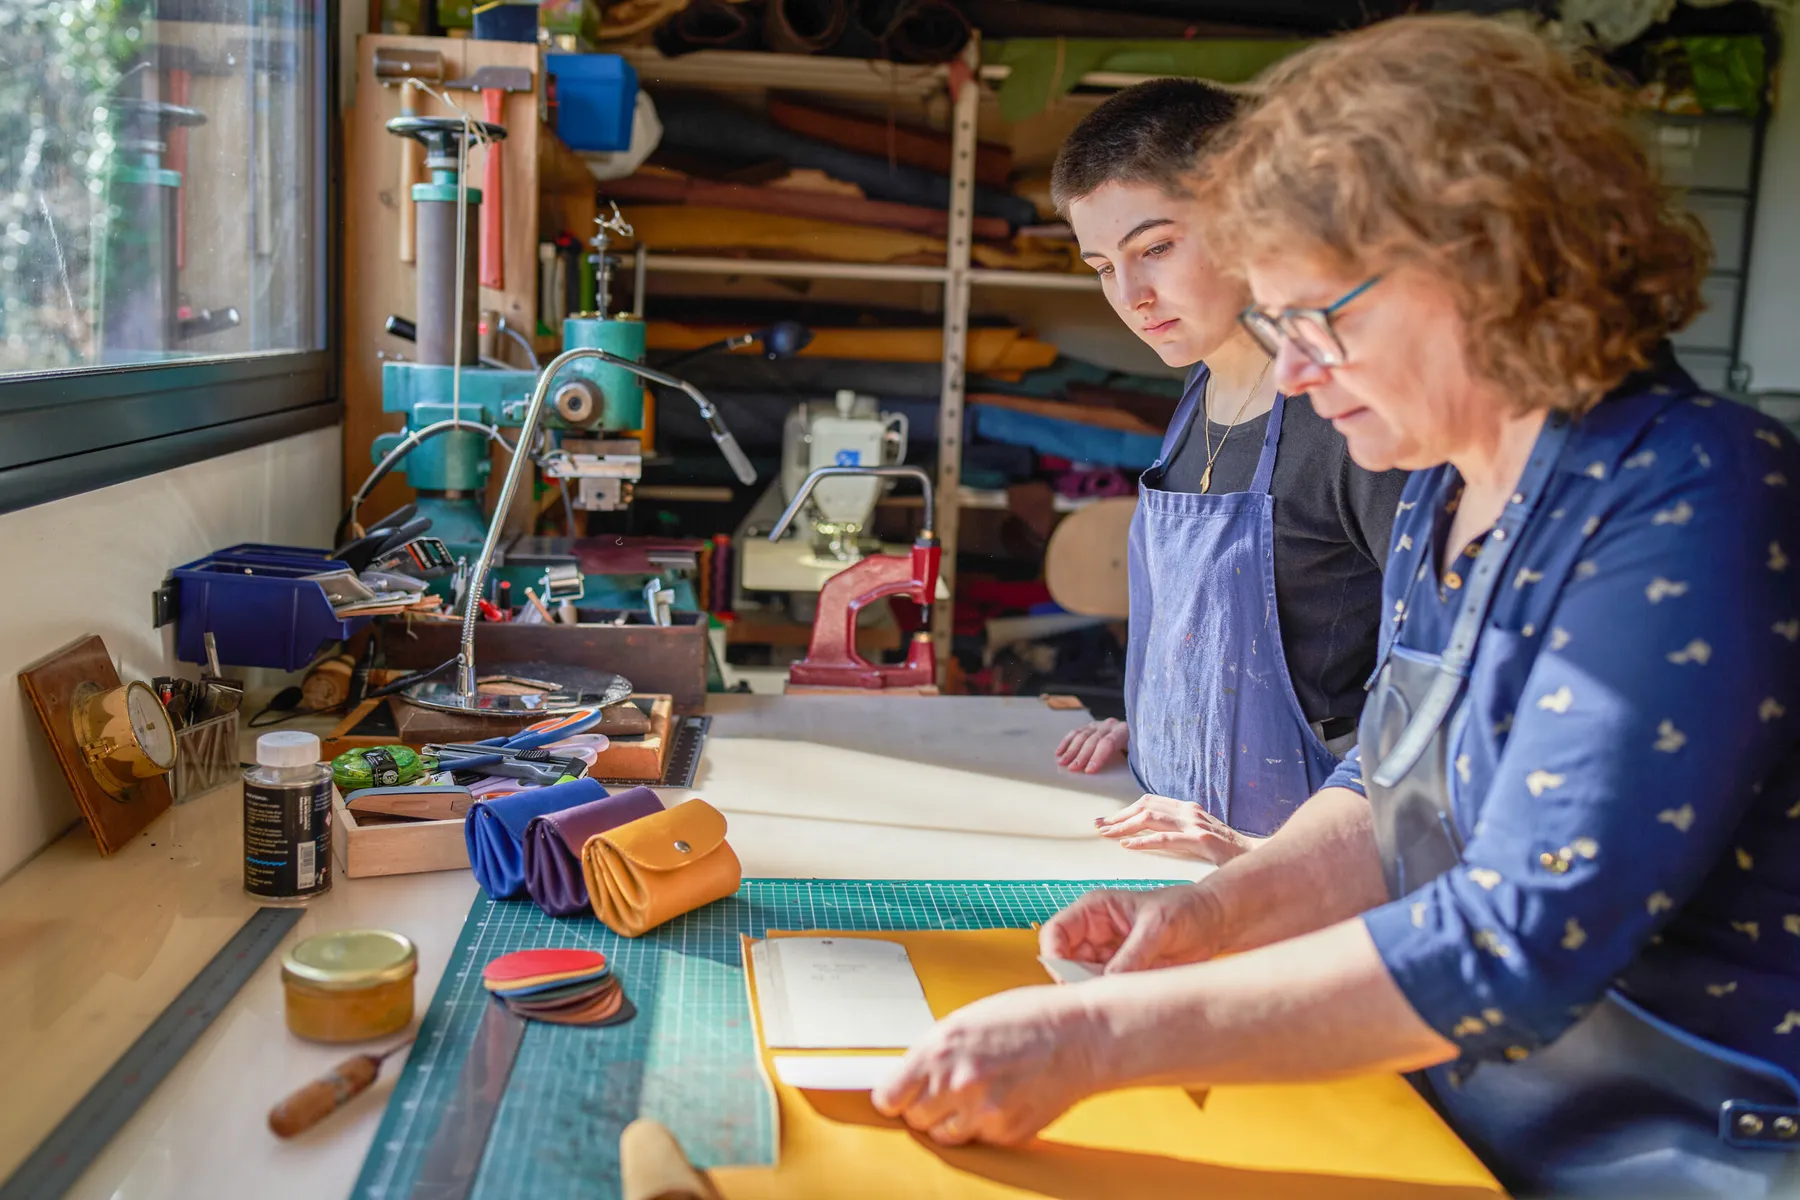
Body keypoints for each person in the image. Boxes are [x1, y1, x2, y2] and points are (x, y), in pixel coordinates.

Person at [874, 16, 1800, 1196]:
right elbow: (1383, 790)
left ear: (1485, 256)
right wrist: (1214, 915)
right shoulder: (1449, 494)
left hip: (1671, 1151)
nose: (1297, 373)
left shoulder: (1692, 493)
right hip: (1456, 1104)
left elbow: (1519, 936)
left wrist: (1102, 1040)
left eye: (1321, 317)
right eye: (1275, 325)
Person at [1046, 79, 1407, 862]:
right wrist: (1162, 718)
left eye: (1157, 248)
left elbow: (1436, 699)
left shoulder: (1351, 420)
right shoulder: (1201, 388)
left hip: (1306, 871)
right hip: (1171, 835)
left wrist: (1250, 854)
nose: (1131, 297)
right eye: (1102, 265)